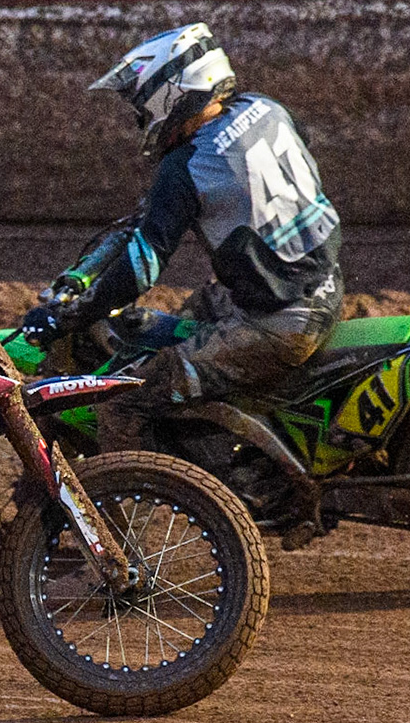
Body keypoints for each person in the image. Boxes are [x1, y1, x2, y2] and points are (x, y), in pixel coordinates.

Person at [21, 23, 345, 453]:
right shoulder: (266, 108)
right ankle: (228, 455)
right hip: (322, 287)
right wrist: (79, 279)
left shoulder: (187, 165)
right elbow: (141, 224)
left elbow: (142, 265)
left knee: (122, 404)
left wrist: (72, 315)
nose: (140, 116)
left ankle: (118, 511)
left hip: (276, 324)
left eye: (141, 103)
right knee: (173, 323)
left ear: (170, 92)